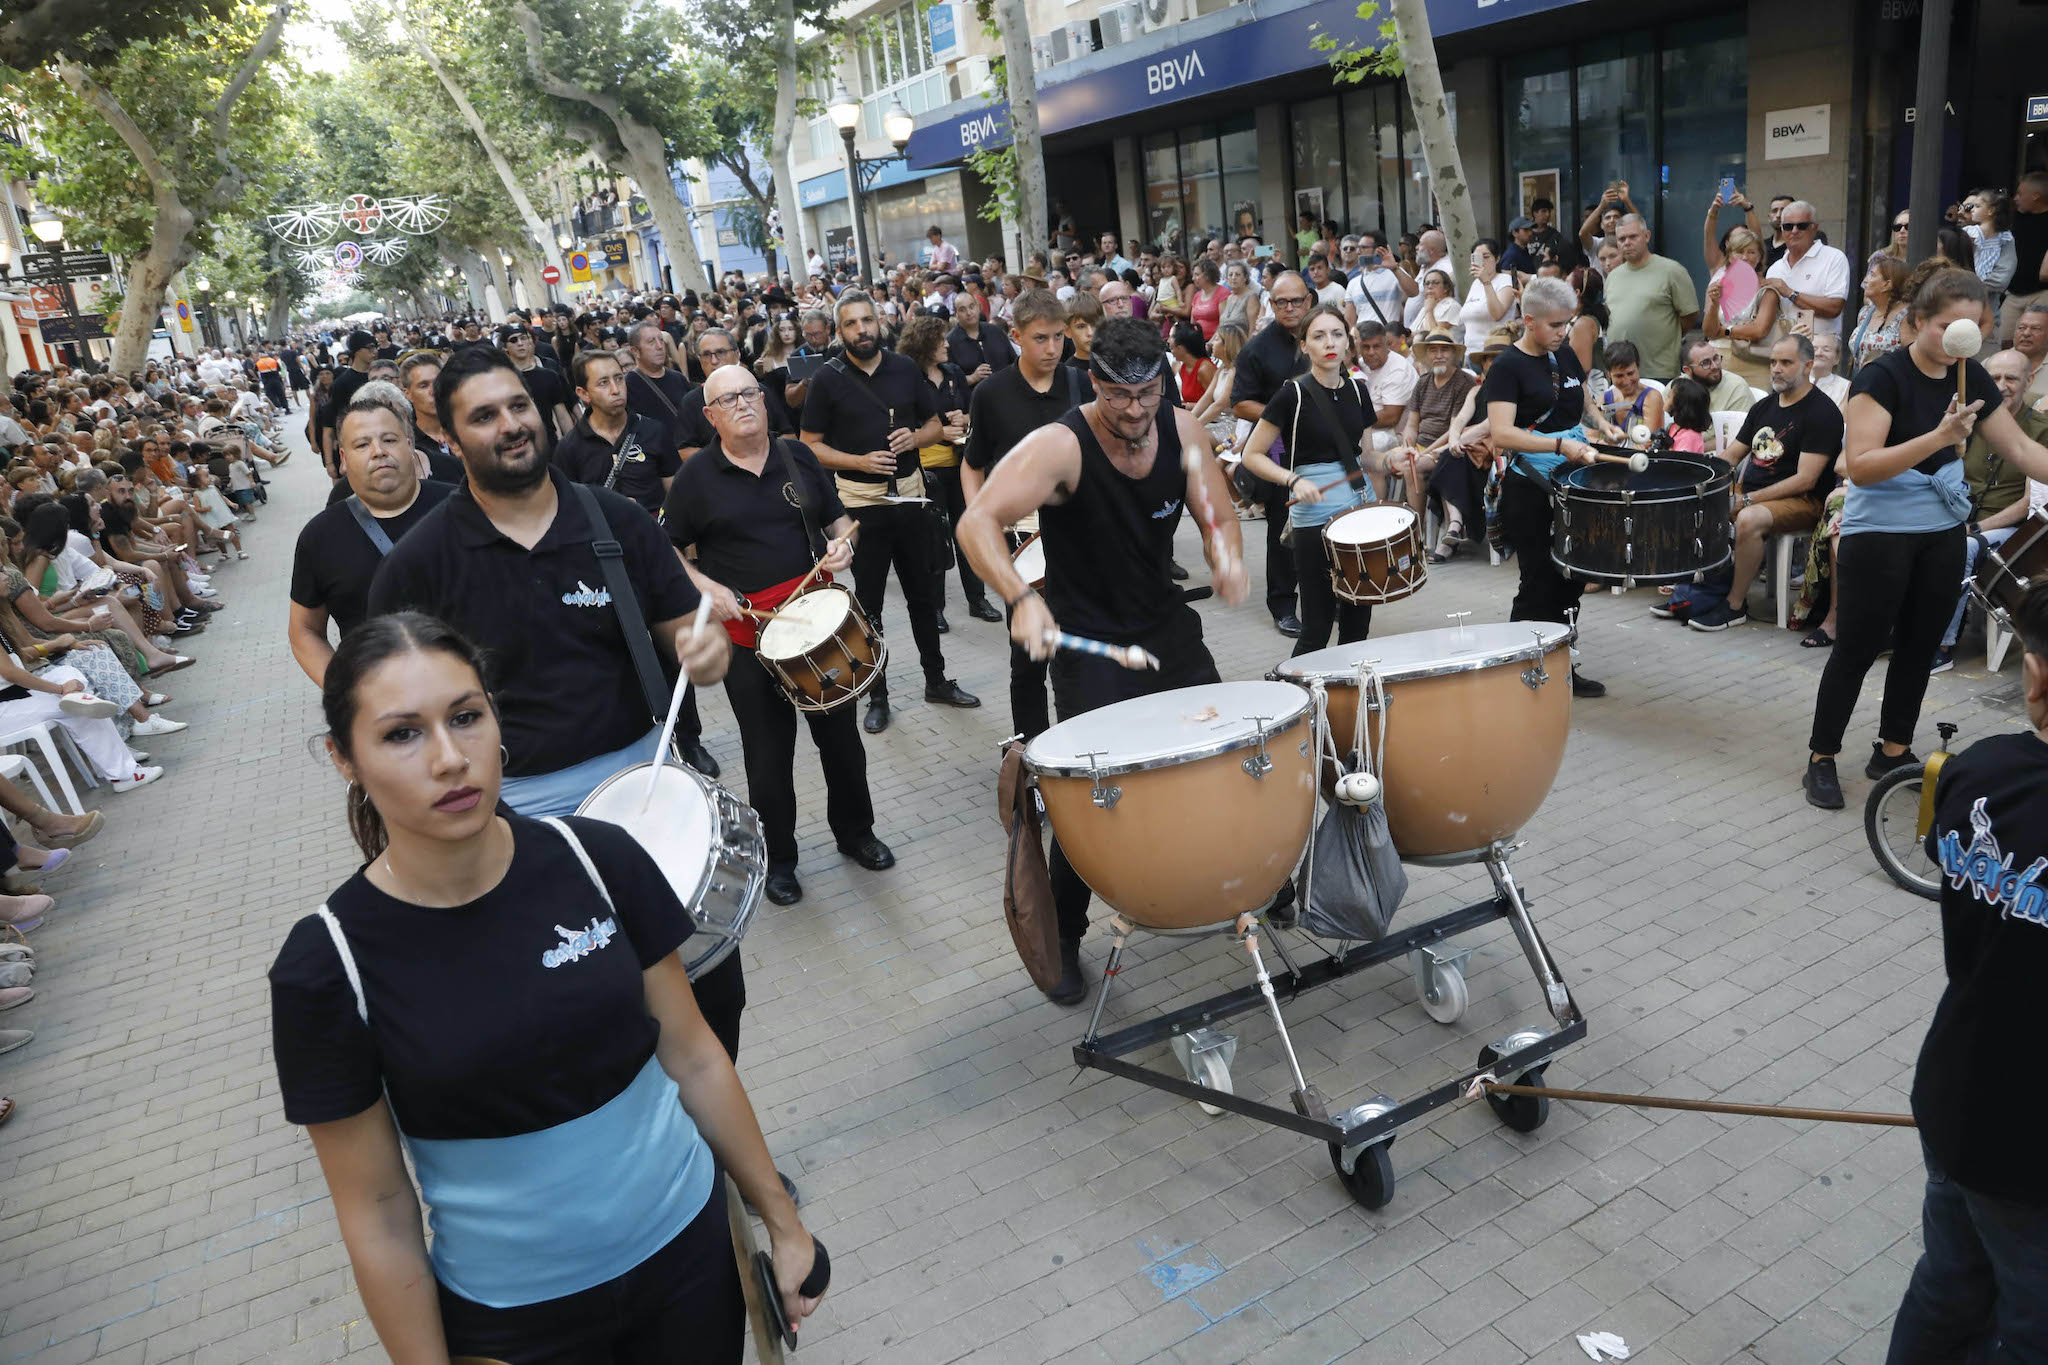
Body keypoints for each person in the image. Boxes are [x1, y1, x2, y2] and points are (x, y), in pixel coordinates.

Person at [268, 615, 823, 1362]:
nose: (448, 758)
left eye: (466, 717)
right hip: (516, 1324)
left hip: (692, 1267)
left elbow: (694, 1057)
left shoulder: (599, 858)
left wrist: (783, 1223)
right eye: (402, 734)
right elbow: (378, 1211)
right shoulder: (328, 965)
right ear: (344, 758)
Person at [956, 318, 1247, 1005]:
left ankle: (1254, 881)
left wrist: (1226, 554)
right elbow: (976, 523)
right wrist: (1020, 596)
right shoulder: (1060, 445)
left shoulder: (1185, 430)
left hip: (1166, 629)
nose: (1136, 411)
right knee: (1095, 799)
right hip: (1091, 644)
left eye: (1148, 394)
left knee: (1221, 753)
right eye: (1119, 395)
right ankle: (1062, 934)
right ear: (1096, 384)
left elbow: (1219, 515)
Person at [367, 345, 729, 818]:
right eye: (484, 416)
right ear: (452, 441)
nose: (511, 425)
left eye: (519, 406)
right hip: (508, 802)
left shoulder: (620, 521)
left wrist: (711, 655)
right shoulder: (417, 564)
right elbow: (388, 715)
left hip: (643, 774)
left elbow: (696, 638)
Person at [1801, 269, 2048, 810]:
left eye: (1974, 323)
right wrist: (1939, 437)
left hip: (1941, 531)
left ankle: (1892, 751)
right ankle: (1821, 757)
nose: (1962, 334)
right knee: (1858, 649)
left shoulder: (1971, 376)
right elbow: (1861, 468)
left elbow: (2025, 453)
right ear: (1917, 323)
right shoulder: (1881, 377)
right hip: (1880, 531)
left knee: (1919, 647)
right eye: (1947, 324)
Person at [1884, 583, 2048, 1361]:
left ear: (2037, 675)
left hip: (1957, 1088)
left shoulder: (1976, 770)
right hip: (2023, 1144)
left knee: (1949, 1284)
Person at [663, 366, 894, 907]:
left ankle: (856, 833)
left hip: (815, 628)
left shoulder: (800, 457)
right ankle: (780, 858)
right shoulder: (697, 479)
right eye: (728, 399)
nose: (743, 404)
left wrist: (843, 548)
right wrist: (705, 586)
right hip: (748, 637)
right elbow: (669, 550)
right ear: (710, 415)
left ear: (765, 401)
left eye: (750, 393)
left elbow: (837, 522)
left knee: (842, 742)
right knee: (767, 758)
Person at [799, 290, 979, 734]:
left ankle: (936, 680)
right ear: (839, 332)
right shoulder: (827, 378)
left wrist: (914, 440)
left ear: (879, 322)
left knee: (923, 595)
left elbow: (937, 424)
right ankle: (876, 695)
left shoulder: (903, 368)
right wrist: (859, 461)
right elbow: (809, 445)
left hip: (913, 498)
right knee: (871, 606)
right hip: (862, 506)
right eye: (852, 324)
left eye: (867, 321)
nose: (862, 330)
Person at [1481, 275, 1626, 698]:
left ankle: (1561, 665)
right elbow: (1502, 434)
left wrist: (1602, 424)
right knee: (1538, 581)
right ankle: (1517, 671)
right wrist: (1560, 443)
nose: (1564, 332)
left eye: (1568, 323)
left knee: (1572, 578)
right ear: (1529, 321)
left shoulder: (1561, 353)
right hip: (1531, 485)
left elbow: (1580, 394)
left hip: (1573, 475)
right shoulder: (1508, 367)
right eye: (1556, 325)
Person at [962, 290, 1089, 741]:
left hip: (1078, 538)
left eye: (1058, 336)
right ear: (1016, 336)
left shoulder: (1081, 384)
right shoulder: (991, 393)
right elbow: (972, 464)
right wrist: (984, 522)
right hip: (1021, 540)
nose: (1052, 348)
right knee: (1029, 655)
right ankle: (1029, 754)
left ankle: (1084, 748)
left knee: (1079, 656)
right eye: (1040, 338)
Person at [1661, 335, 1842, 631]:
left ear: (1808, 365)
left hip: (1804, 501)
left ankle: (1734, 605)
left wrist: (1746, 500)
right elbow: (1731, 455)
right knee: (1694, 502)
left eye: (1786, 362)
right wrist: (1695, 477)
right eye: (1773, 362)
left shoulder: (1821, 412)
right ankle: (1692, 596)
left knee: (1747, 518)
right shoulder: (1765, 407)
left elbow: (1806, 480)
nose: (1776, 369)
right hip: (1754, 492)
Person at [291, 384, 458, 687]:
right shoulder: (320, 537)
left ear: (410, 445)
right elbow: (304, 630)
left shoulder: (462, 509)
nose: (378, 451)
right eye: (362, 444)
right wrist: (345, 694)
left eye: (389, 439)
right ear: (343, 458)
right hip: (384, 699)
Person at [1238, 304, 1376, 654]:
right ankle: (1298, 696)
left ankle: (1349, 699)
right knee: (1316, 628)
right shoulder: (1292, 394)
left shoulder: (1359, 391)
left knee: (1358, 625)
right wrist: (1293, 480)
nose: (1329, 342)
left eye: (1337, 334)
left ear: (1348, 342)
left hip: (1359, 512)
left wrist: (1400, 460)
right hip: (1314, 520)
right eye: (1318, 335)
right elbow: (1251, 455)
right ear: (1305, 346)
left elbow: (1368, 457)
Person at [1932, 348, 2048, 672]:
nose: (2001, 385)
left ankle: (1940, 645)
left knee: (1961, 547)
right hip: (1959, 515)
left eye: (2011, 378)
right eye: (1994, 378)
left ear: (2030, 380)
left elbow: (2029, 503)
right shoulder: (1969, 422)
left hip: (2012, 530)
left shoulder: (2042, 429)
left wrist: (1976, 529)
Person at [897, 315, 997, 628]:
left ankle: (977, 599)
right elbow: (906, 426)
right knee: (934, 542)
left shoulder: (953, 372)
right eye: (939, 340)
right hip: (927, 471)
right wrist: (940, 430)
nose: (946, 344)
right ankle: (935, 607)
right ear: (924, 344)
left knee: (968, 534)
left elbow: (971, 412)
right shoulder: (909, 378)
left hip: (961, 464)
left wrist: (964, 419)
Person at [1232, 271, 1315, 636]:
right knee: (1282, 531)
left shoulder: (1323, 334)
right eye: (1281, 302)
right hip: (1279, 451)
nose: (1290, 308)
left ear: (1308, 301)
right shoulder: (1257, 349)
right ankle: (1282, 605)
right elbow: (1240, 404)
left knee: (1328, 526)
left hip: (1323, 446)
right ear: (1271, 304)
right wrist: (1282, 411)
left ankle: (1331, 598)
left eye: (1296, 300)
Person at [553, 349, 681, 517]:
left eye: (619, 378)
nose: (616, 389)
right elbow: (568, 510)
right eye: (603, 383)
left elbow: (677, 495)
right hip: (604, 538)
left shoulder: (654, 431)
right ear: (583, 394)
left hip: (655, 535)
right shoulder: (569, 448)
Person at [1603, 215, 1701, 382]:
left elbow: (1690, 315)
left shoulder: (1671, 271)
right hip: (1620, 371)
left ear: (1647, 236)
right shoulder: (1613, 276)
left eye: (1633, 236)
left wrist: (1669, 334)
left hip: (1659, 371)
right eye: (1622, 239)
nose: (1627, 242)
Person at [1761, 200, 1851, 341]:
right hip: (1784, 348)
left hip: (1821, 349)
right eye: (1788, 226)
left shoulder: (1834, 258)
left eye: (1801, 226)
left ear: (1814, 228)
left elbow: (1834, 307)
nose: (1794, 231)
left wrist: (1790, 293)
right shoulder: (1775, 268)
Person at [397, 352, 466, 484]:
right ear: (407, 394)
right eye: (423, 385)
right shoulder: (407, 444)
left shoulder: (469, 429)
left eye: (437, 382)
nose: (433, 391)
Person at [1998, 170, 2048, 346]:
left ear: (2036, 196)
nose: (2015, 198)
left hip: (2042, 292)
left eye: (2020, 194)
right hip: (2014, 291)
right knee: (2003, 339)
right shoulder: (2014, 217)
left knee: (2033, 342)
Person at [319, 331, 377, 478]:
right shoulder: (341, 384)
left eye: (376, 347)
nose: (374, 351)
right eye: (370, 347)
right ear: (357, 351)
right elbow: (330, 427)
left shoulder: (382, 376)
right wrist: (330, 463)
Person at [1847, 256, 1912, 377]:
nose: (1865, 281)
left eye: (1872, 275)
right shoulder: (1865, 313)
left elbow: (1913, 360)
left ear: (1887, 285)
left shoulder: (1906, 317)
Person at [1459, 240, 1519, 352]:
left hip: (1495, 350)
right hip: (1471, 351)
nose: (1482, 262)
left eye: (1486, 257)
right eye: (1477, 258)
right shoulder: (1476, 284)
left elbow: (1497, 314)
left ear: (1497, 259)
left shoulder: (1505, 280)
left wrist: (1486, 282)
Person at [945, 292, 1013, 387]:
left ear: (978, 307)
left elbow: (1014, 362)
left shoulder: (995, 331)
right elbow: (948, 382)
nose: (969, 313)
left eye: (971, 307)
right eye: (962, 310)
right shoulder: (950, 342)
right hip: (973, 398)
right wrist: (972, 378)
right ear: (956, 314)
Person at [1596, 341, 1664, 434]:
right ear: (1609, 375)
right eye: (1619, 376)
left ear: (1638, 366)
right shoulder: (1605, 398)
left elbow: (1650, 441)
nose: (1626, 381)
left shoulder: (1652, 398)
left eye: (1630, 373)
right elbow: (1591, 436)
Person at [1679, 335, 1757, 415]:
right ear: (1688, 370)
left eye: (1716, 358)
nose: (1715, 366)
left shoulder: (1737, 387)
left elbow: (1740, 426)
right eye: (1705, 363)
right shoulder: (1677, 387)